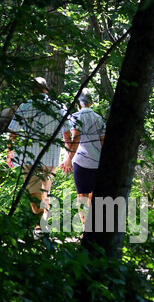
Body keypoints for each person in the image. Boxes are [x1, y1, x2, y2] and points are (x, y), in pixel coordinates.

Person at [7, 77, 71, 239]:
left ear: (32, 91)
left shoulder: (26, 107)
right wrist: (68, 157)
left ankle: (41, 228)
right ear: (46, 90)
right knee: (42, 195)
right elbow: (67, 134)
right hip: (49, 158)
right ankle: (42, 225)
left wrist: (10, 152)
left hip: (31, 158)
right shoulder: (57, 107)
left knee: (39, 196)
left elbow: (13, 133)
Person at [60, 89, 105, 231]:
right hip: (97, 162)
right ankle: (95, 229)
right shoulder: (99, 118)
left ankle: (86, 229)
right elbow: (103, 141)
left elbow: (75, 138)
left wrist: (68, 159)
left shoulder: (74, 117)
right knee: (94, 197)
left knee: (82, 197)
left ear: (79, 104)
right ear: (91, 103)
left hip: (81, 162)